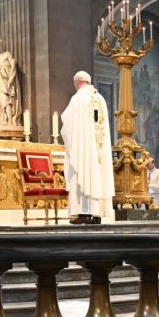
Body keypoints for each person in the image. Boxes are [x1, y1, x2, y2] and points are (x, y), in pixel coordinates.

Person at [60, 71, 114, 224]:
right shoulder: (100, 99)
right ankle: (96, 213)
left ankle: (84, 213)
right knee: (97, 175)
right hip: (99, 149)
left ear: (77, 82)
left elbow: (67, 121)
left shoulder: (78, 98)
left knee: (81, 173)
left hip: (83, 149)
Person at [0, 38, 20, 127]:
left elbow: (13, 67)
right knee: (3, 102)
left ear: (2, 46)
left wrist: (10, 80)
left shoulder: (7, 54)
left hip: (7, 82)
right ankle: (7, 120)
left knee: (7, 101)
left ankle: (10, 121)